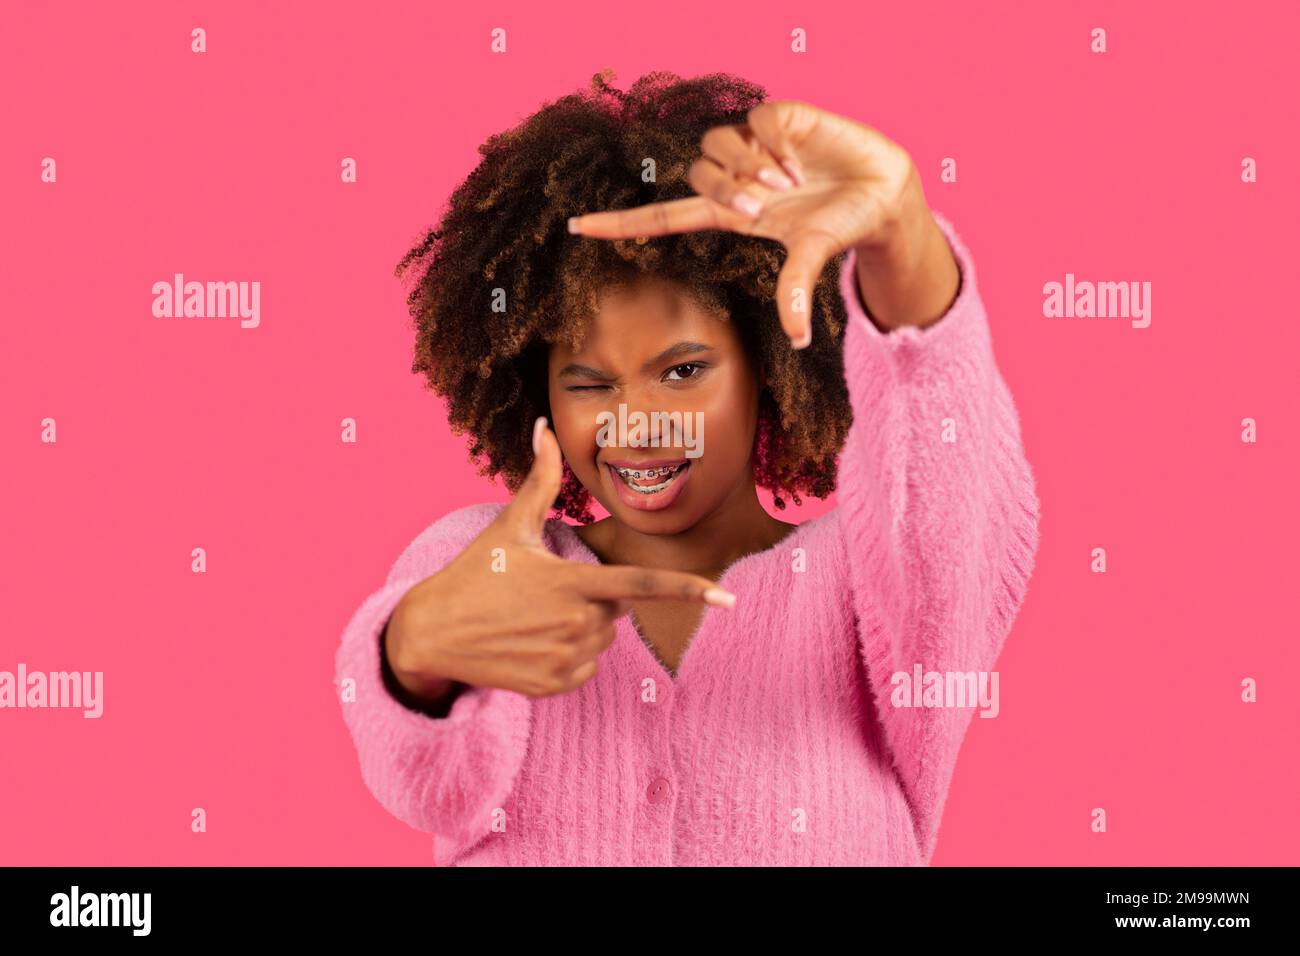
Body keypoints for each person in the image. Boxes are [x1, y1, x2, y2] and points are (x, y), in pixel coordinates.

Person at [335, 69, 1041, 866]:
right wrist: (415, 651)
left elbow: (950, 506)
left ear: (767, 367)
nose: (635, 421)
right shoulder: (491, 558)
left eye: (682, 372)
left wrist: (902, 239)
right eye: (590, 383)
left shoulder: (865, 585)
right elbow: (425, 781)